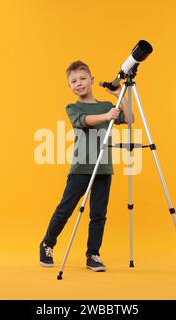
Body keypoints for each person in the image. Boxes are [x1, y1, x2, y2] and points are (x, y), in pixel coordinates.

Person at [39, 60, 134, 272]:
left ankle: (93, 254)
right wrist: (107, 116)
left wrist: (120, 97)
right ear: (69, 86)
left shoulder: (107, 106)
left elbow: (130, 119)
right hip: (81, 168)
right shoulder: (73, 107)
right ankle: (47, 244)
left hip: (103, 168)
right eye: (73, 81)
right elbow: (84, 120)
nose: (79, 83)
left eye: (82, 79)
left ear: (91, 80)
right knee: (66, 209)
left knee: (98, 213)